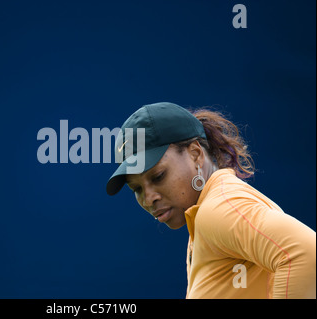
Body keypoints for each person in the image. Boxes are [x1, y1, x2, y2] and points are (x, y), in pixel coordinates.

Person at [106, 102, 316, 299]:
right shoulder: (206, 213)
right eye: (137, 189)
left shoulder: (217, 209)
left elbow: (306, 254)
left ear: (195, 154)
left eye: (158, 176)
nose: (149, 198)